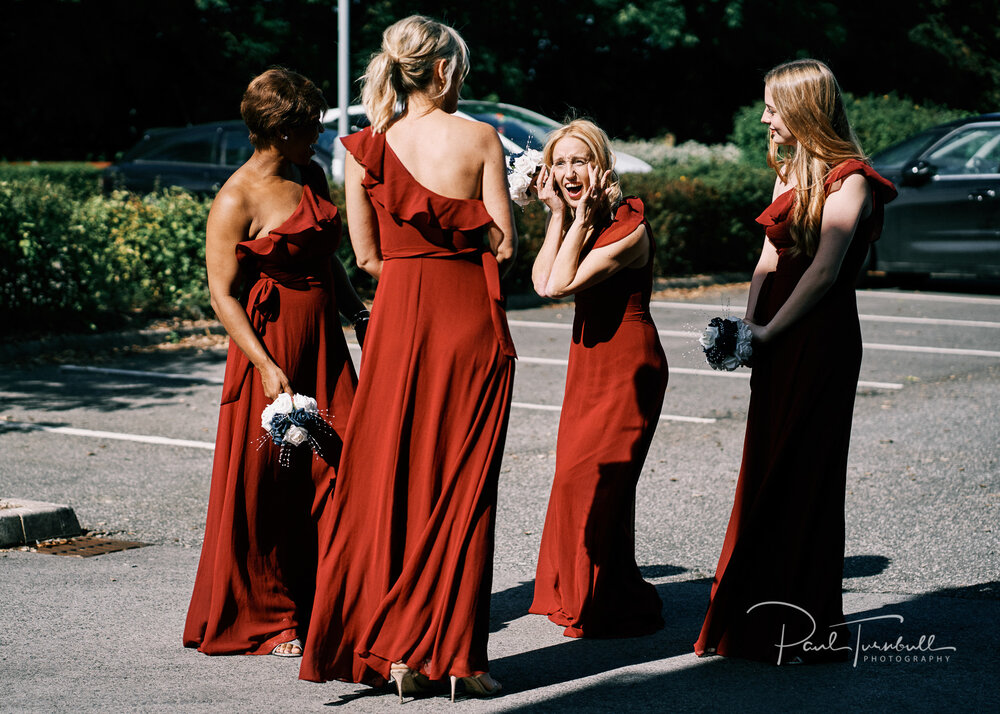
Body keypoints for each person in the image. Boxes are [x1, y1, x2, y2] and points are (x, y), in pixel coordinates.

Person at [299, 16, 516, 701]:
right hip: (465, 322)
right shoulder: (479, 137)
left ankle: (400, 655)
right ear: (447, 71)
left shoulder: (362, 150)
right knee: (461, 483)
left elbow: (363, 258)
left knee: (393, 481)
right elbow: (504, 244)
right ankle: (460, 658)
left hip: (397, 320)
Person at [694, 59, 897, 664]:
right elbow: (765, 261)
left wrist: (771, 331)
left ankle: (802, 623)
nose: (763, 117)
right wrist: (745, 330)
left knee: (804, 469)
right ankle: (752, 614)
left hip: (820, 337)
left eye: (772, 106)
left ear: (805, 110)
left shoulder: (850, 180)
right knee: (764, 466)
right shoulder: (787, 171)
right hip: (776, 337)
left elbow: (825, 271)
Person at [183, 68, 367, 657]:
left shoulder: (308, 173)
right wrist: (263, 364)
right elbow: (221, 294)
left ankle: (338, 601)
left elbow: (324, 255)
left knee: (345, 463)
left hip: (324, 343)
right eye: (308, 124)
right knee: (271, 481)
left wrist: (356, 313)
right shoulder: (235, 197)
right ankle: (273, 616)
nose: (317, 132)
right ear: (278, 130)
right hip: (273, 345)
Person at [528, 119, 668, 638]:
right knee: (576, 476)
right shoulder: (577, 220)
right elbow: (542, 280)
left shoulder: (628, 225)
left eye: (579, 161)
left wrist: (578, 217)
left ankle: (613, 598)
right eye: (559, 162)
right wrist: (559, 220)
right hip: (588, 361)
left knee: (595, 482)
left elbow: (560, 283)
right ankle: (601, 591)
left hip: (629, 364)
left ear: (601, 167)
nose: (568, 172)